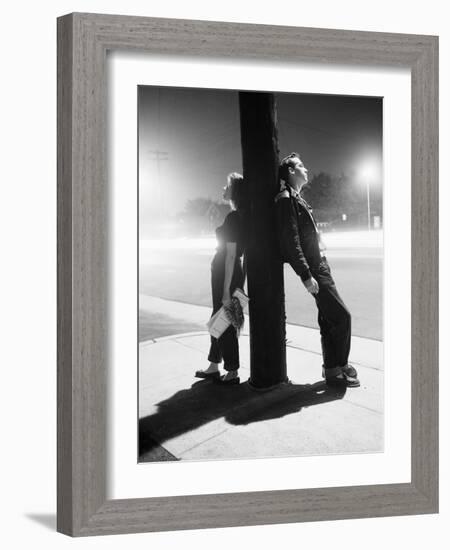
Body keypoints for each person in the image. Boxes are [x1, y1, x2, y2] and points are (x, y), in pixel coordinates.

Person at [275, 152, 360, 387]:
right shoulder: (286, 199)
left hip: (320, 264)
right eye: (301, 165)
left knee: (328, 320)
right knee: (342, 317)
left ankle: (332, 370)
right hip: (314, 269)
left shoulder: (297, 198)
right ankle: (341, 365)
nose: (306, 168)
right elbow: (290, 242)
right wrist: (306, 275)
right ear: (291, 171)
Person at [195, 172, 248, 385]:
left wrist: (226, 290)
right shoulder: (239, 215)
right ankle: (213, 365)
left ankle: (232, 370)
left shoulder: (235, 218)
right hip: (229, 272)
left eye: (226, 186)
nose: (222, 190)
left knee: (224, 320)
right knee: (219, 319)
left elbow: (232, 254)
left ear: (235, 191)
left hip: (226, 273)